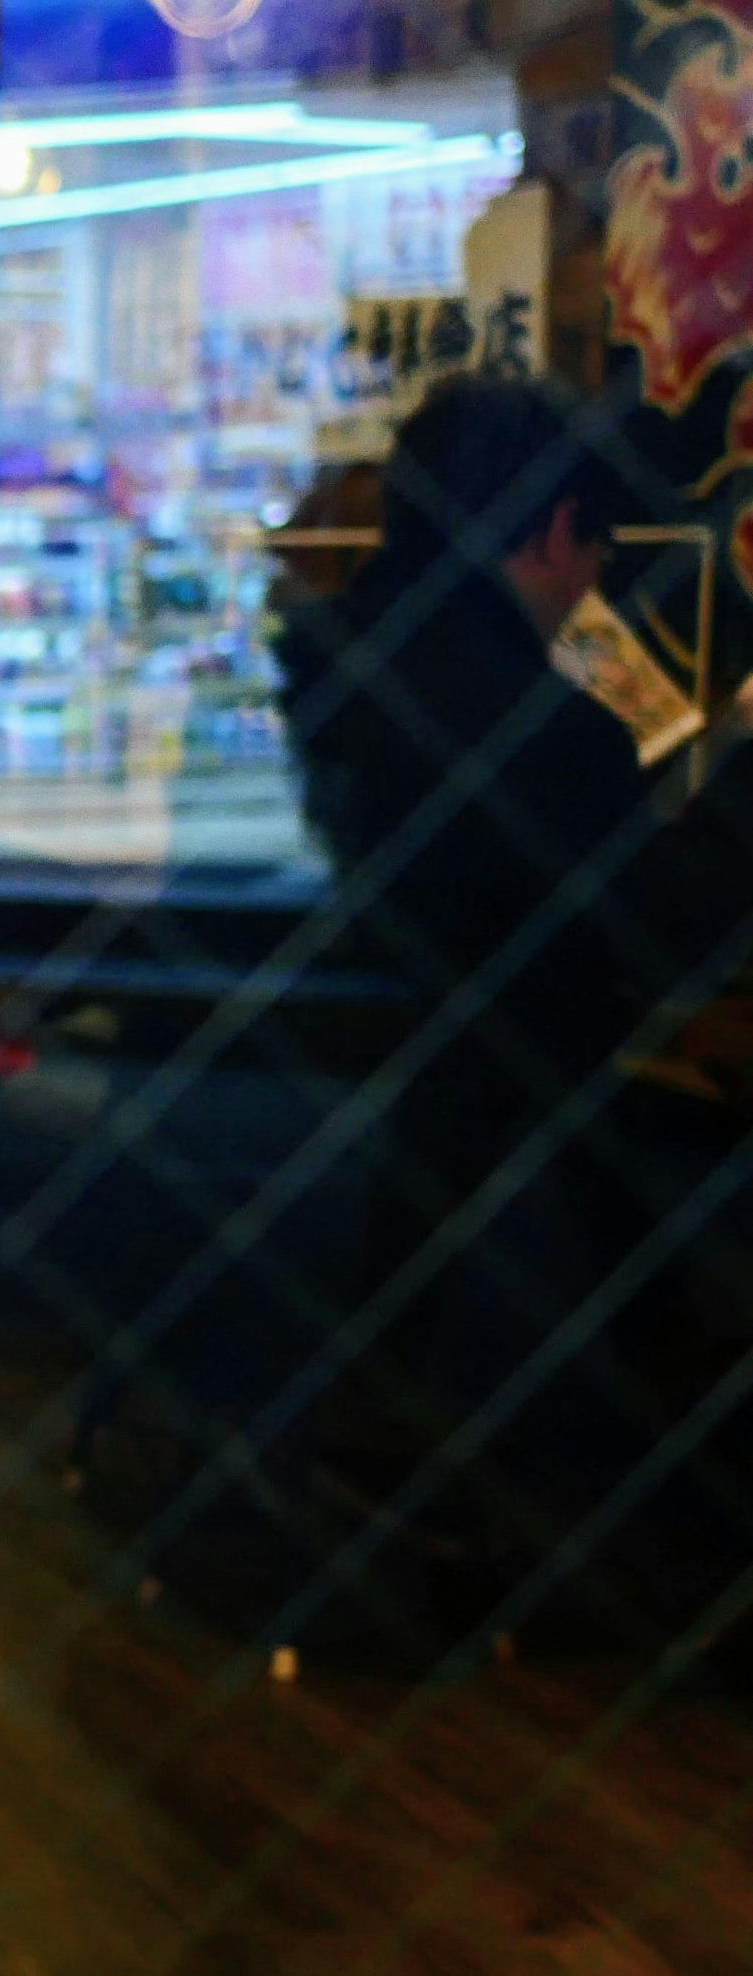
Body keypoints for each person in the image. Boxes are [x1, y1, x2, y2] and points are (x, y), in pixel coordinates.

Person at [280, 375, 753, 1640]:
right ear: (549, 535)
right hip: (539, 1066)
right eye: (588, 542)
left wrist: (585, 650)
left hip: (421, 1072)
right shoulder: (527, 714)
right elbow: (660, 893)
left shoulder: (367, 644)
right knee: (636, 1181)